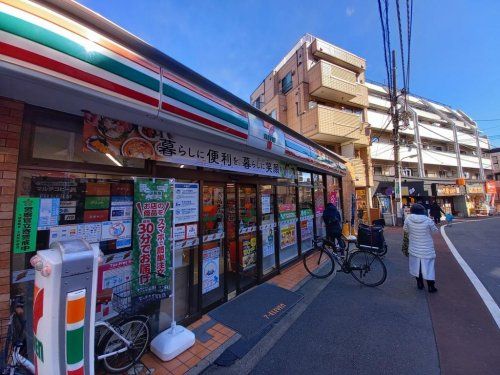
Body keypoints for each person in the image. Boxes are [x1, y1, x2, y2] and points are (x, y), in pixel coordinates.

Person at [403, 203, 439, 293]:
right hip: (426, 248)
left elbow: (405, 230)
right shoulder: (428, 220)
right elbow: (435, 231)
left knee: (416, 266)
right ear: (422, 211)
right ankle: (431, 286)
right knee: (429, 267)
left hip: (414, 247)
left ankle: (419, 284)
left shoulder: (408, 219)